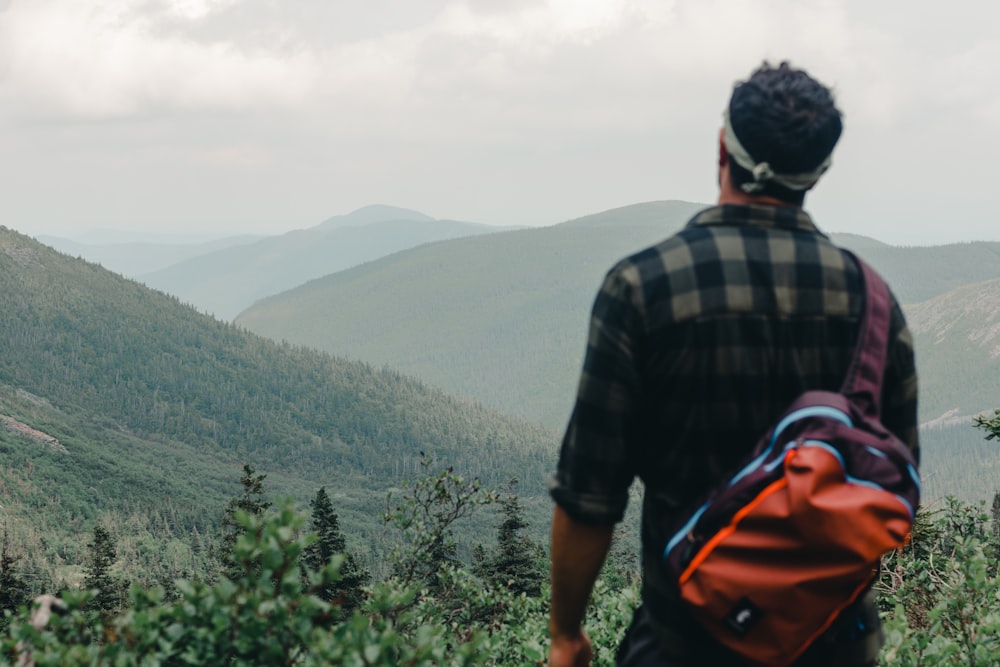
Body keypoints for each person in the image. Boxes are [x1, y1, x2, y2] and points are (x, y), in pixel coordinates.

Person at [547, 61, 919, 667]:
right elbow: (896, 480)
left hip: (685, 641)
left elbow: (590, 495)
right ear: (818, 170)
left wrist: (567, 635)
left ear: (723, 147)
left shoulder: (644, 288)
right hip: (834, 645)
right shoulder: (873, 300)